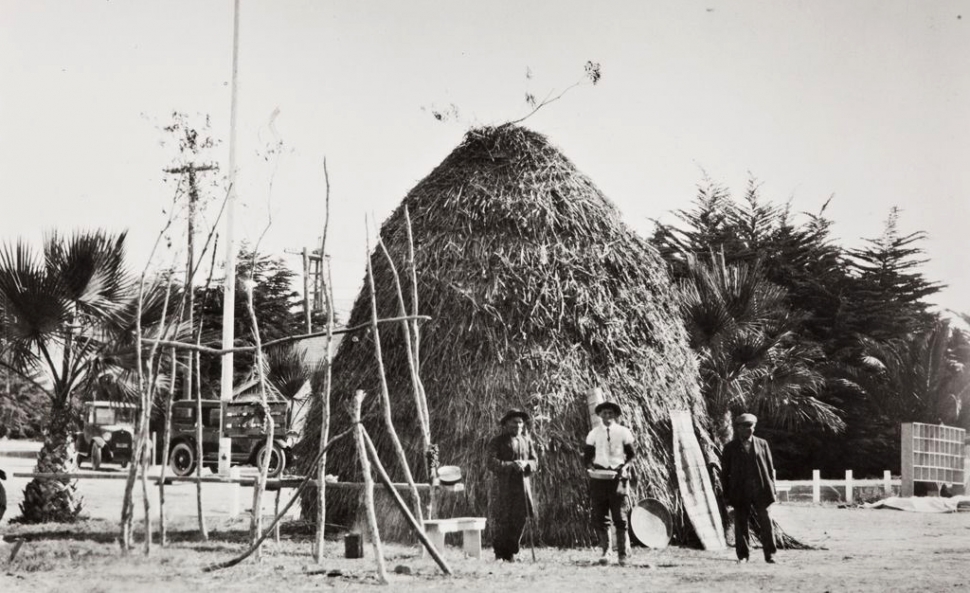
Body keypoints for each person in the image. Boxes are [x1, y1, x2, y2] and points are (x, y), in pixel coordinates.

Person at [584, 401, 636, 566]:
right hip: (600, 478)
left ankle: (622, 554)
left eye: (611, 414)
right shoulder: (593, 434)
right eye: (604, 413)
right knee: (601, 515)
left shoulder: (623, 432)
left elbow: (632, 455)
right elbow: (587, 457)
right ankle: (606, 552)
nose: (607, 417)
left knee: (620, 516)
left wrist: (625, 468)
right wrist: (591, 468)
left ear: (615, 415)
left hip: (618, 477)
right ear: (599, 415)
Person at [720, 413, 777, 564]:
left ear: (754, 427)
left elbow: (770, 470)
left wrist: (773, 490)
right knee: (740, 524)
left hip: (761, 490)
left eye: (750, 426)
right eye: (744, 427)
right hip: (740, 492)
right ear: (738, 428)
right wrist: (726, 494)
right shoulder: (730, 448)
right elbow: (725, 474)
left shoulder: (762, 444)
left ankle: (770, 555)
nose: (748, 430)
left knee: (766, 521)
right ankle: (743, 556)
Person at [486, 408, 538, 562]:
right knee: (503, 518)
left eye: (520, 422)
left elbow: (535, 462)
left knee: (520, 518)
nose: (518, 425)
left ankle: (512, 550)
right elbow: (491, 462)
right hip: (504, 486)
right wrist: (510, 465)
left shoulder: (527, 441)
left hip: (522, 486)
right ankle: (500, 552)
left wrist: (526, 464)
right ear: (506, 424)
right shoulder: (497, 441)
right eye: (514, 422)